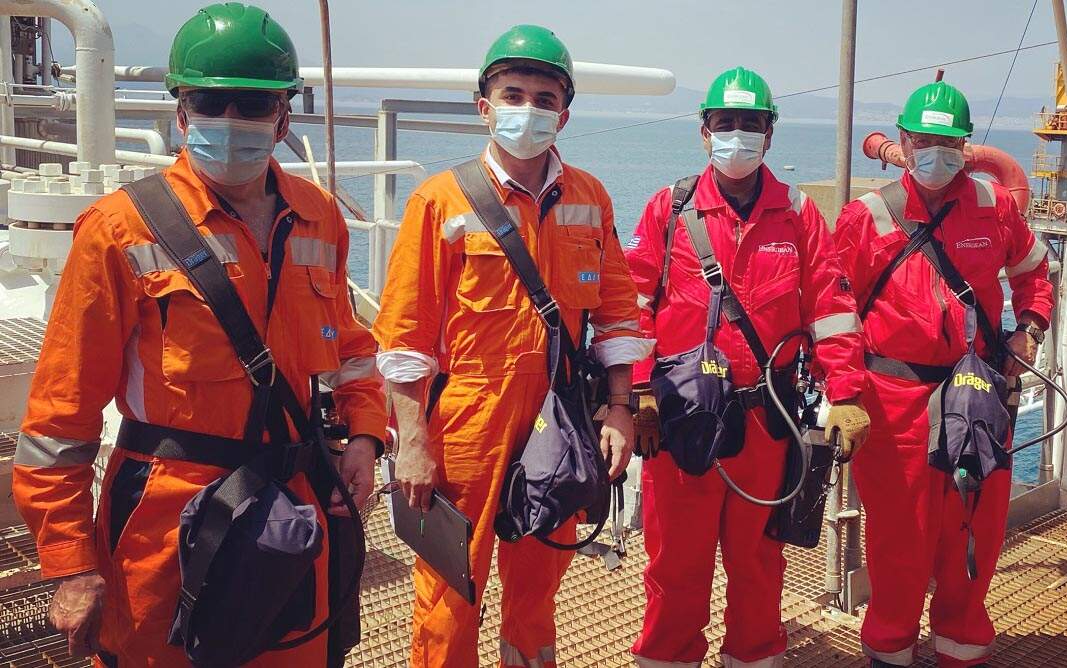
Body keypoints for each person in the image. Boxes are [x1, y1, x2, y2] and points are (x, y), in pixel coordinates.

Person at [11, 3, 387, 664]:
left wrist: (365, 434)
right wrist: (71, 562)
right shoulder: (120, 229)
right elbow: (60, 417)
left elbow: (351, 346)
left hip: (294, 510)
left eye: (253, 104)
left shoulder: (319, 216)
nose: (231, 120)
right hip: (168, 526)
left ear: (283, 118)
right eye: (211, 102)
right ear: (182, 114)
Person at [372, 24, 650, 668]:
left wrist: (619, 409)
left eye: (545, 99)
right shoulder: (439, 201)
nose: (529, 109)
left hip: (559, 418)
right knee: (449, 591)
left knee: (538, 588)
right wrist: (410, 440)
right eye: (513, 94)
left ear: (564, 114)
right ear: (485, 107)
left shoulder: (590, 197)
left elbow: (616, 314)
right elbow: (405, 336)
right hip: (465, 420)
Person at [624, 66, 870, 668]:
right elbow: (632, 305)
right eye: (726, 123)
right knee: (675, 562)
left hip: (767, 421)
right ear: (704, 132)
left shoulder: (797, 214)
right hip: (680, 420)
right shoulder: (670, 208)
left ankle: (755, 655)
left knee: (759, 559)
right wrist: (639, 392)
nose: (738, 134)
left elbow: (831, 308)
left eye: (751, 124)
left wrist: (845, 393)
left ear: (770, 134)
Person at [832, 80, 1054, 667]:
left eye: (949, 142)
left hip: (975, 393)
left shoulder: (995, 206)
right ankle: (890, 650)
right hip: (894, 400)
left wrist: (1028, 329)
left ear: (966, 145)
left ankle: (962, 647)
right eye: (924, 141)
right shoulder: (867, 216)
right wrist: (845, 394)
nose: (936, 153)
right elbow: (833, 311)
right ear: (904, 142)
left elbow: (1034, 273)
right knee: (898, 540)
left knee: (970, 533)